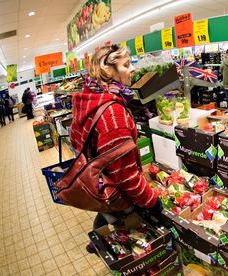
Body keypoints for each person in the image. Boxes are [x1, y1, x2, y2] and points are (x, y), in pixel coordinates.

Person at [69, 45, 162, 254]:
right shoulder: (113, 113)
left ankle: (98, 240)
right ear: (109, 71)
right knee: (130, 236)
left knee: (106, 211)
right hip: (116, 191)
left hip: (99, 183)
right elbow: (125, 175)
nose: (132, 69)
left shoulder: (89, 98)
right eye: (126, 65)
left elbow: (76, 139)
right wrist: (152, 201)